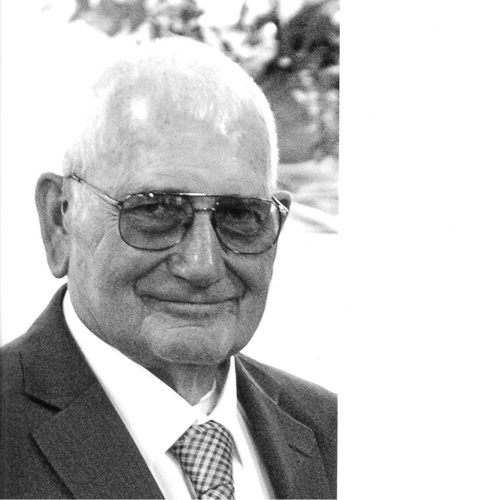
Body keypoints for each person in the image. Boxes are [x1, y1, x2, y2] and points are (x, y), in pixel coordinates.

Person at [0, 37, 336, 499]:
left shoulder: (339, 434)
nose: (202, 265)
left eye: (240, 215)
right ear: (60, 219)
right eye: (155, 210)